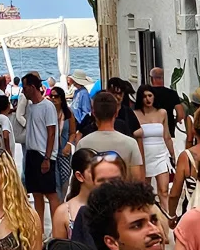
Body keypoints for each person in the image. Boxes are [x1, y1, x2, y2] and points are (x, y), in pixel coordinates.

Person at [21, 72, 62, 234]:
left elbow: (51, 132)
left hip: (42, 154)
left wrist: (47, 157)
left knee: (50, 193)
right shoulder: (31, 107)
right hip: (31, 153)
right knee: (36, 193)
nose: (23, 91)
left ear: (32, 87)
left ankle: (57, 229)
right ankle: (40, 231)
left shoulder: (47, 106)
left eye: (25, 88)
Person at [55, 149, 127, 240]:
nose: (108, 184)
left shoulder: (128, 206)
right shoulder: (66, 212)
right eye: (101, 179)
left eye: (114, 179)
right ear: (80, 176)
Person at [80, 90, 145, 180]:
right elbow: (137, 178)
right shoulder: (130, 143)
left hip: (93, 193)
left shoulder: (83, 143)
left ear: (94, 113)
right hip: (123, 192)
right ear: (116, 113)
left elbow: (80, 179)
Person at [135, 86, 175, 201]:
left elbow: (166, 136)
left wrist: (172, 155)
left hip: (161, 154)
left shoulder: (162, 113)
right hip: (144, 155)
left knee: (164, 190)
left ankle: (166, 217)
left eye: (150, 95)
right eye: (144, 96)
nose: (147, 99)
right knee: (145, 191)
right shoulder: (135, 114)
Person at [49, 85, 79, 202]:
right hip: (51, 151)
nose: (53, 98)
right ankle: (58, 204)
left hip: (64, 151)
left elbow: (72, 132)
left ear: (61, 98)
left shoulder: (68, 114)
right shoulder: (48, 112)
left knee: (65, 179)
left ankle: (62, 202)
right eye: (51, 96)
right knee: (54, 181)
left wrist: (68, 145)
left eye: (55, 96)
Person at [148, 66, 186, 143]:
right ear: (162, 78)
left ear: (152, 79)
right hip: (168, 130)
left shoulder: (146, 94)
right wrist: (174, 121)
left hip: (150, 132)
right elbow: (181, 114)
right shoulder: (172, 94)